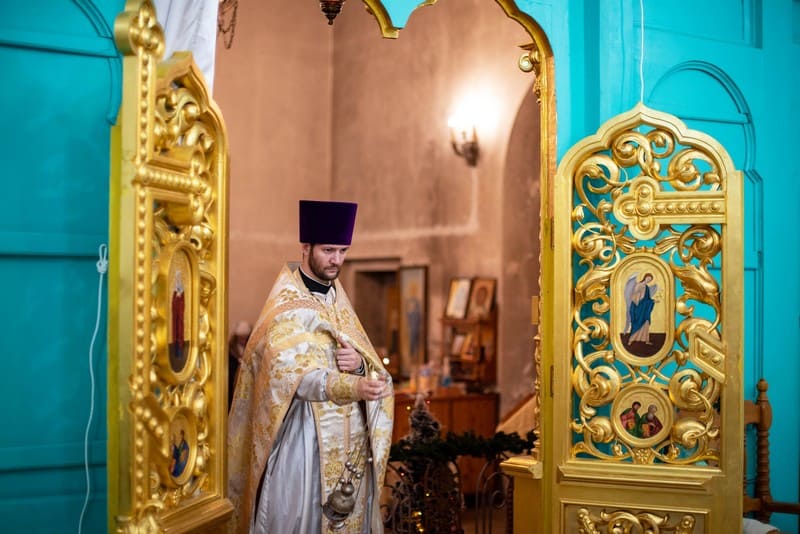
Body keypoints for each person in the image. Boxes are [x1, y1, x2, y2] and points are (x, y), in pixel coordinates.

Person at [228, 200, 394, 534]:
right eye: (328, 250)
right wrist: (353, 386)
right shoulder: (285, 308)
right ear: (306, 247)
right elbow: (292, 377)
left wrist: (359, 367)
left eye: (343, 251)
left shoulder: (338, 302)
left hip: (347, 452)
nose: (337, 260)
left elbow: (371, 366)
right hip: (303, 446)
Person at [228, 321, 252, 411]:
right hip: (233, 383)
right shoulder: (230, 350)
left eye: (245, 338)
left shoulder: (250, 347)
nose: (243, 340)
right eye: (241, 338)